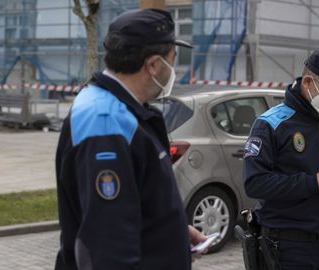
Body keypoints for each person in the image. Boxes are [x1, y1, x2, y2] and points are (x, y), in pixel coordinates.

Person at [55, 8, 206, 270]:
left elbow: (135, 202)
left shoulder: (123, 110)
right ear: (154, 65)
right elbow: (109, 244)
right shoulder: (105, 123)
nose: (174, 70)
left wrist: (175, 234)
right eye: (173, 58)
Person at [242, 49, 319, 270]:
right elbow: (255, 183)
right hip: (288, 245)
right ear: (308, 82)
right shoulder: (270, 124)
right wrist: (312, 182)